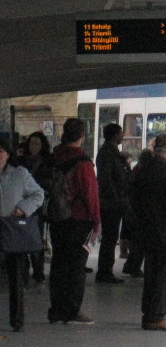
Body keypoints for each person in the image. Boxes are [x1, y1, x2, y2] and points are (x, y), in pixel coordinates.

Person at [129, 134, 166, 331]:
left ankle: (148, 314)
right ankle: (157, 316)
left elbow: (134, 200)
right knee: (165, 277)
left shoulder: (143, 170)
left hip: (148, 231)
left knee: (151, 275)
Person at [44, 118, 100, 325]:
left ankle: (56, 309)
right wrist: (96, 220)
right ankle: (72, 310)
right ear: (82, 136)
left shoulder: (54, 158)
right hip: (78, 219)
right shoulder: (83, 163)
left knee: (59, 264)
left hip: (57, 217)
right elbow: (90, 194)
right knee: (76, 267)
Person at [0, 137, 45, 331]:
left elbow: (38, 194)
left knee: (16, 277)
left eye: (1, 151)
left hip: (13, 231)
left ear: (8, 154)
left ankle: (17, 319)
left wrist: (23, 208)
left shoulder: (20, 174)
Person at [95, 123, 130, 284]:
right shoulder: (108, 153)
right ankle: (104, 271)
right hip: (111, 203)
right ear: (115, 135)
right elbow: (107, 179)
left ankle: (106, 270)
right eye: (121, 132)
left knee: (111, 237)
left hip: (113, 201)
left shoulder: (111, 152)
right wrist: (115, 197)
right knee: (110, 237)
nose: (123, 135)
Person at [20, 131, 53, 284]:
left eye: (37, 144)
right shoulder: (21, 161)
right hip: (21, 205)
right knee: (21, 238)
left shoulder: (46, 162)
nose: (33, 146)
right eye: (32, 143)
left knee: (36, 239)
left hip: (37, 207)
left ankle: (38, 271)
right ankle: (24, 269)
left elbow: (49, 183)